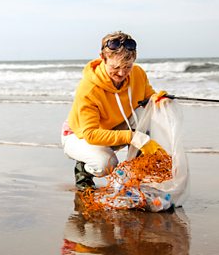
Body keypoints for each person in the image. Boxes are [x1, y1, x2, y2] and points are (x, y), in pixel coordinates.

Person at [61, 31, 167, 190]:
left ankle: (136, 172)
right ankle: (83, 170)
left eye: (127, 67)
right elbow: (90, 134)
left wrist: (159, 99)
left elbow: (148, 97)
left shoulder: (138, 74)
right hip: (79, 136)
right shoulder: (88, 89)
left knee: (149, 113)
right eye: (115, 67)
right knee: (107, 164)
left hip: (114, 128)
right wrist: (133, 137)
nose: (122, 73)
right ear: (103, 58)